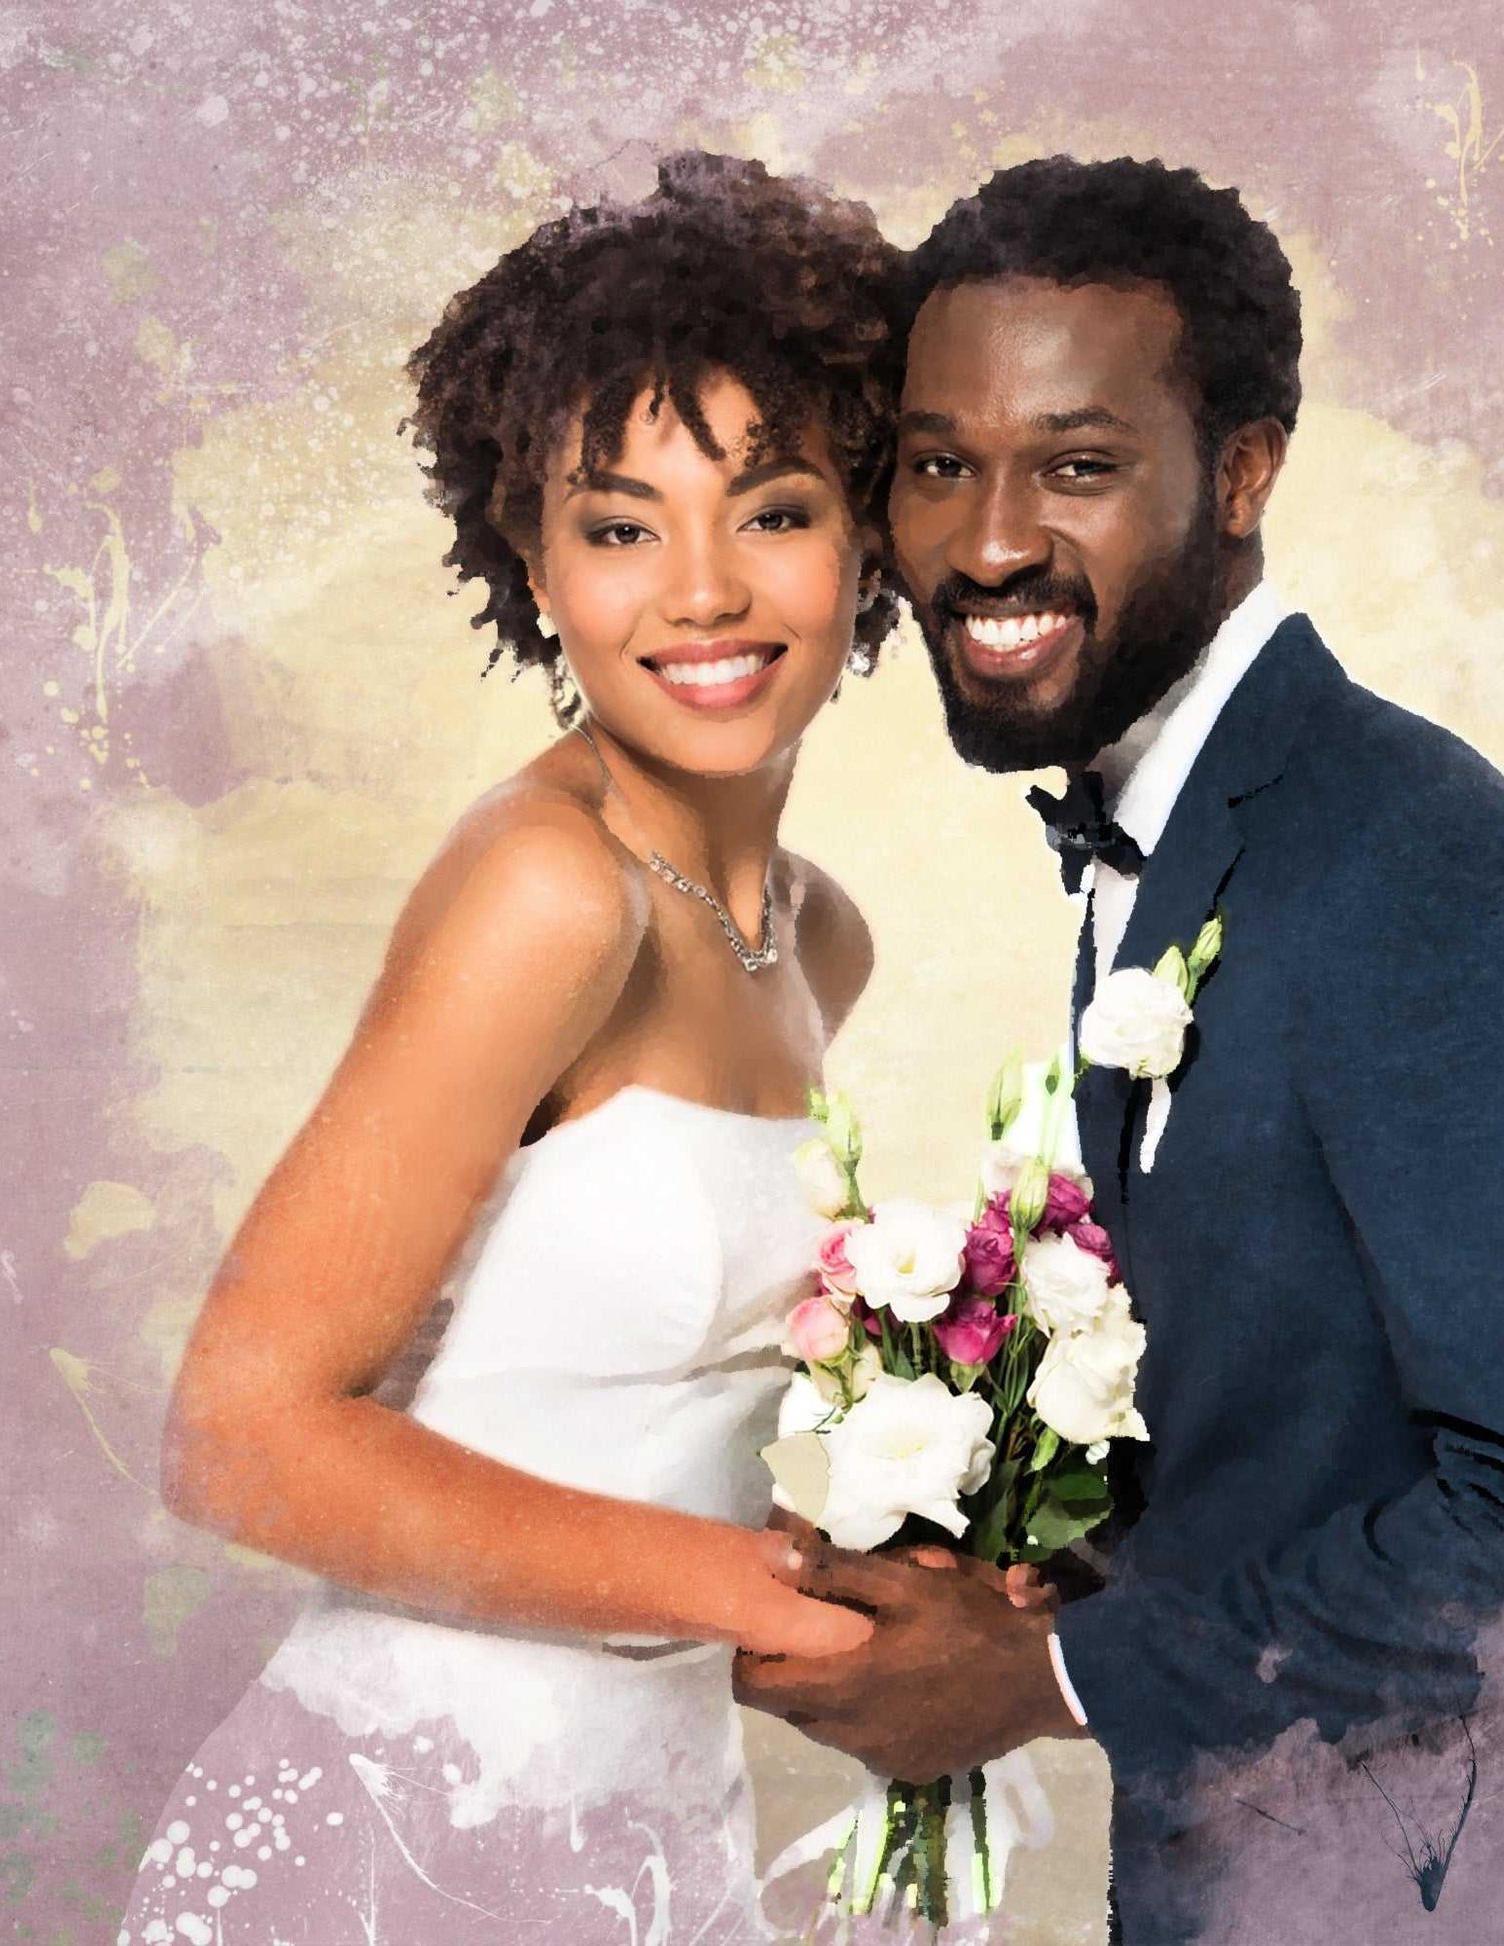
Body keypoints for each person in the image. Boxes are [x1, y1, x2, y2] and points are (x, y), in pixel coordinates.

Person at [737, 157, 1504, 1945]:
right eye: (940, 464)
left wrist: (1051, 1675)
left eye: (1076, 466)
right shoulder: (1181, 821)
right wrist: (1048, 1546)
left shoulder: (1410, 858)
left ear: (1239, 472)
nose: (988, 541)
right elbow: (1323, 1408)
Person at [119, 153, 912, 1946]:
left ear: (867, 533)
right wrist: (761, 1588)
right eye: (620, 527)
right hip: (396, 1845)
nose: (698, 592)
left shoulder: (820, 933)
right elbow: (240, 1435)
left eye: (771, 508)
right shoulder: (551, 890)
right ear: (533, 567)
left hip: (649, 1836)